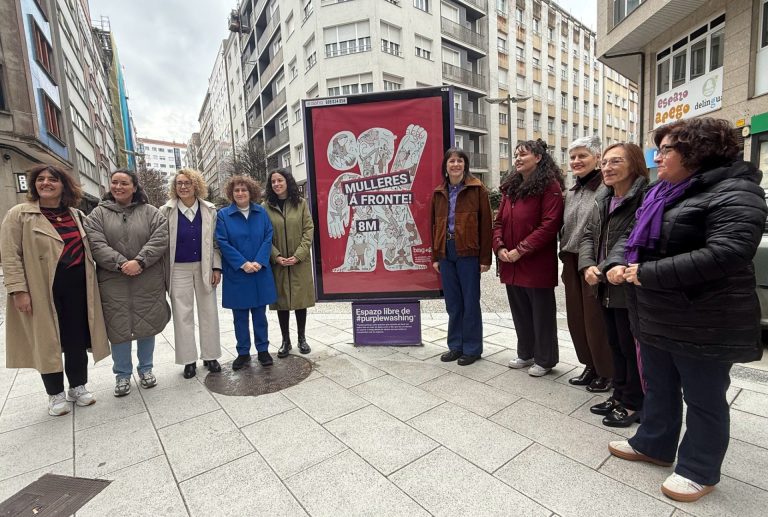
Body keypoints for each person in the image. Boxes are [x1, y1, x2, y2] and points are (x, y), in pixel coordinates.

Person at [604, 118, 767, 502]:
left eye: (666, 150)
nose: (656, 158)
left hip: (705, 316)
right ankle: (654, 444)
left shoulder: (736, 191)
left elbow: (726, 253)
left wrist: (644, 272)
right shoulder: (662, 190)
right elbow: (630, 235)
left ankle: (699, 468)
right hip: (656, 310)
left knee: (704, 396)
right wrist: (616, 262)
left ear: (696, 152)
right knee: (658, 385)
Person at [1, 165, 110, 416]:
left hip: (77, 287)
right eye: (41, 179)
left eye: (53, 179)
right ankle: (55, 393)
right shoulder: (20, 214)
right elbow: (9, 255)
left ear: (64, 185)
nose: (46, 183)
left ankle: (78, 386)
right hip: (41, 287)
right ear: (34, 185)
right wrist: (19, 290)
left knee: (76, 338)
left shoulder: (75, 214)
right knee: (47, 340)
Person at [578, 143, 649, 428]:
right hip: (604, 284)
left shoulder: (644, 197)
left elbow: (632, 237)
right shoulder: (603, 198)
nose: (606, 167)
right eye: (604, 162)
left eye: (615, 162)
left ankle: (633, 403)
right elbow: (587, 235)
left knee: (631, 348)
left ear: (633, 164)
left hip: (626, 284)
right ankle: (619, 395)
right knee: (615, 344)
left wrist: (604, 267)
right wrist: (587, 266)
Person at [84, 169, 170, 397]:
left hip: (147, 277)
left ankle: (146, 369)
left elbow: (161, 238)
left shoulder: (151, 212)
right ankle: (122, 374)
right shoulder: (97, 214)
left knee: (146, 325)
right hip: (113, 280)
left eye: (124, 183)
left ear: (134, 187)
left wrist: (140, 261)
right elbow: (95, 242)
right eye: (114, 183)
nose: (118, 187)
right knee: (118, 328)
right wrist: (122, 263)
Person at [495, 139, 564, 377]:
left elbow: (549, 225)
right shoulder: (510, 188)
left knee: (541, 314)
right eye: (516, 154)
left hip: (535, 263)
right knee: (520, 311)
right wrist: (500, 247)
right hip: (510, 263)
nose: (517, 158)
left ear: (538, 157)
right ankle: (526, 353)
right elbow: (498, 222)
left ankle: (545, 359)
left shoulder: (550, 186)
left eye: (523, 154)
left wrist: (520, 250)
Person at [559, 135, 613, 392]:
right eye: (573, 157)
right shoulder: (573, 190)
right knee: (576, 319)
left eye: (583, 156)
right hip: (570, 259)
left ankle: (607, 371)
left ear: (597, 158)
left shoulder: (605, 188)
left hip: (593, 262)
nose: (577, 161)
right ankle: (589, 364)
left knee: (596, 320)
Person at [430, 148, 492, 366]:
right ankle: (455, 346)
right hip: (446, 251)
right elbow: (433, 225)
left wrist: (485, 258)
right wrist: (436, 256)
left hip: (469, 251)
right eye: (451, 161)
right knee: (453, 303)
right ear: (445, 166)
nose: (455, 165)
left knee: (470, 301)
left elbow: (487, 226)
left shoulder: (477, 189)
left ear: (465, 165)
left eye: (459, 161)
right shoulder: (439, 192)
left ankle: (472, 348)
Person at [160, 168, 222, 379]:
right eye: (179, 183)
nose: (183, 187)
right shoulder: (166, 211)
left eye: (187, 183)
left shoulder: (209, 210)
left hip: (203, 266)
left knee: (209, 312)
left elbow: (215, 242)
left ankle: (211, 355)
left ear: (196, 185)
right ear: (174, 187)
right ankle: (188, 360)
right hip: (178, 269)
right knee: (182, 314)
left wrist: (216, 267)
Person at [216, 175, 277, 369]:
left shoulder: (261, 212)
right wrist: (243, 263)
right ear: (231, 194)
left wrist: (259, 261)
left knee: (260, 315)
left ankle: (263, 350)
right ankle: (243, 352)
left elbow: (268, 235)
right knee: (240, 317)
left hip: (259, 271)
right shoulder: (223, 215)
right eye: (236, 190)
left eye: (244, 190)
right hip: (238, 273)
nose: (240, 193)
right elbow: (222, 242)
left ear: (251, 192)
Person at [263, 168, 315, 357]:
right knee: (281, 302)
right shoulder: (265, 207)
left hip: (299, 262)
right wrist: (275, 256)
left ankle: (302, 338)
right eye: (273, 182)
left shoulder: (300, 203)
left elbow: (308, 229)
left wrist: (299, 254)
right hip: (278, 263)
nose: (276, 184)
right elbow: (263, 235)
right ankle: (286, 340)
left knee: (301, 302)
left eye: (280, 180)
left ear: (287, 182)